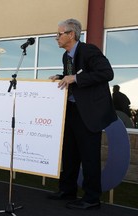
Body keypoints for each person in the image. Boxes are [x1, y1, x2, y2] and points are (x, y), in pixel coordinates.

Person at [47, 19, 117, 210]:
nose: (56, 38)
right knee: (69, 154)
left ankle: (92, 198)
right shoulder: (66, 56)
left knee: (89, 157)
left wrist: (75, 78)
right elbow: (72, 75)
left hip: (89, 113)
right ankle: (67, 190)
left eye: (59, 34)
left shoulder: (89, 51)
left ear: (71, 34)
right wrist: (61, 77)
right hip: (71, 112)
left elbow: (106, 73)